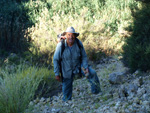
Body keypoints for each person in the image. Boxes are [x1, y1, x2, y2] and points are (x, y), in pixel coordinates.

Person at [53, 27, 101, 101]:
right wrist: (57, 73)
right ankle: (67, 103)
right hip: (66, 71)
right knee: (66, 95)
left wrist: (85, 67)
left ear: (75, 36)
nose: (71, 37)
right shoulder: (60, 45)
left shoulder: (78, 43)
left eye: (72, 35)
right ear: (65, 36)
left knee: (92, 73)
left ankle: (96, 92)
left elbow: (84, 56)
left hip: (78, 67)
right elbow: (55, 60)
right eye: (69, 35)